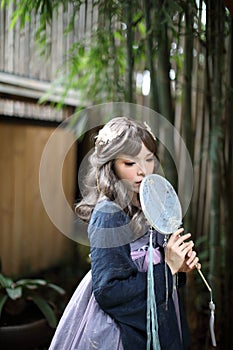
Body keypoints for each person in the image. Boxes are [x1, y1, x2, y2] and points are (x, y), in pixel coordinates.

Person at [49, 117, 200, 350]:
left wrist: (178, 267)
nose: (142, 171)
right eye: (130, 163)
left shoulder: (152, 204)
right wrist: (167, 269)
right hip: (121, 332)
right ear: (111, 165)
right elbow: (109, 292)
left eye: (148, 159)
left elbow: (163, 272)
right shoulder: (108, 214)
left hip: (160, 318)